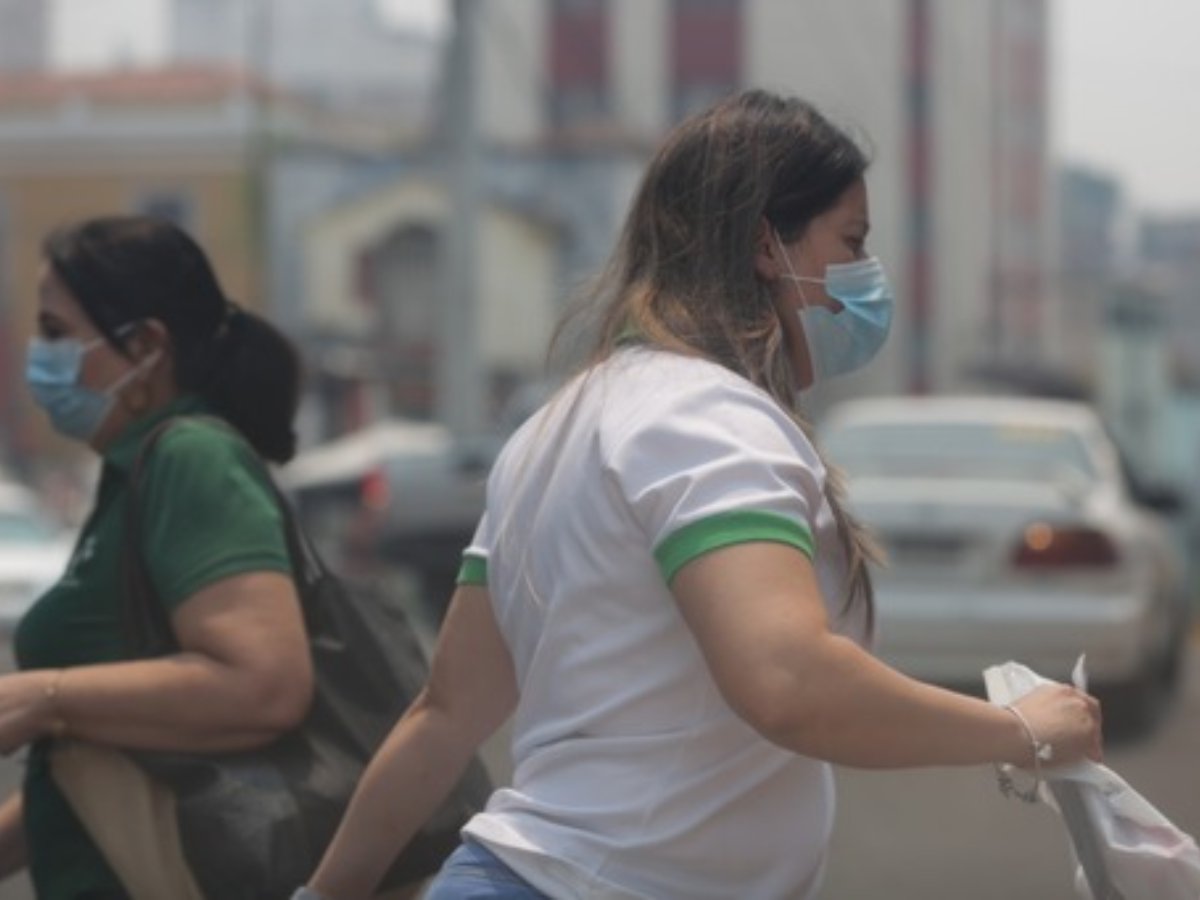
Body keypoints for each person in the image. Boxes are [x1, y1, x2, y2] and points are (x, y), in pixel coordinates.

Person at [296, 88, 1103, 900]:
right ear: (767, 246)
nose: (865, 275)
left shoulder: (555, 428)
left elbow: (444, 713)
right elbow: (787, 679)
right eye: (850, 240)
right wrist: (1019, 731)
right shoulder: (707, 419)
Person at [0, 214, 314, 900]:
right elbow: (100, 770)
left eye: (56, 333)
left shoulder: (189, 456)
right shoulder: (131, 473)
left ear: (144, 345)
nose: (37, 356)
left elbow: (264, 684)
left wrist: (41, 697)